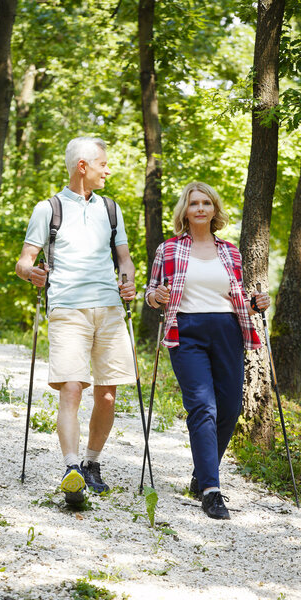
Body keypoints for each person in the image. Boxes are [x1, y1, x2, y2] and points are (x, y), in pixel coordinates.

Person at [15, 136, 136, 505]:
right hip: (67, 308)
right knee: (71, 388)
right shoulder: (48, 208)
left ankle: (92, 463)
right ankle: (71, 469)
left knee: (109, 395)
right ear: (82, 166)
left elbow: (124, 260)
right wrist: (31, 273)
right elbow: (24, 261)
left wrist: (128, 279)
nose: (107, 169)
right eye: (103, 163)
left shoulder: (111, 209)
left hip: (110, 309)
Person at [145, 181, 270, 520]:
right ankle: (211, 491)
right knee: (203, 406)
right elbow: (152, 293)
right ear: (184, 210)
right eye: (193, 203)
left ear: (214, 209)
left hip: (228, 330)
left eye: (206, 203)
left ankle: (202, 473)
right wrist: (158, 297)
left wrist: (256, 301)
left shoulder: (230, 251)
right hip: (186, 331)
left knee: (229, 408)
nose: (200, 208)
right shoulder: (168, 249)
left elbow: (238, 295)